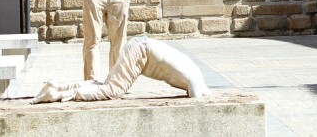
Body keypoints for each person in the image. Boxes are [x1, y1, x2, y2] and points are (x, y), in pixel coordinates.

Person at [32, 36, 211, 103]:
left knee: (107, 85)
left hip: (140, 45)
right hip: (143, 52)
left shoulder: (194, 73)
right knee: (113, 91)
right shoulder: (195, 82)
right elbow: (196, 104)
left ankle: (58, 87)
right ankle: (58, 95)